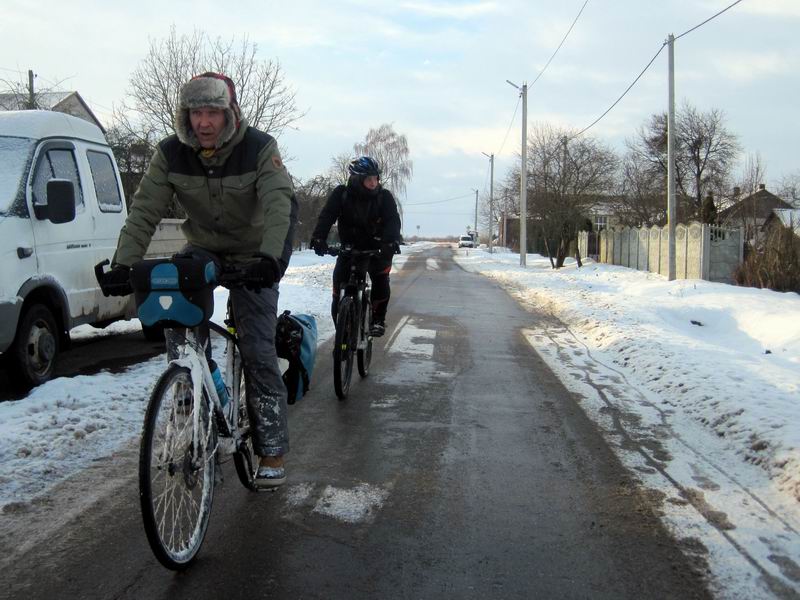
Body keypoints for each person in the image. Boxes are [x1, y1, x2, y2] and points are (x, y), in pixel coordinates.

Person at [99, 72, 296, 489]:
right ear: (185, 115)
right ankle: (192, 390)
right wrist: (123, 264)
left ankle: (272, 448)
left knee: (258, 348)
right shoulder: (170, 153)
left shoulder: (260, 148)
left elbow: (280, 205)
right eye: (195, 113)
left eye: (212, 113)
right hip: (202, 249)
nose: (203, 122)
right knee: (177, 317)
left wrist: (271, 259)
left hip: (253, 254)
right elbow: (144, 210)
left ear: (230, 114)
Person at [310, 156, 401, 337]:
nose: (374, 183)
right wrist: (319, 238)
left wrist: (390, 242)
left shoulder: (384, 197)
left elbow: (393, 221)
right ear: (357, 179)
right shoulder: (342, 194)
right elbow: (327, 215)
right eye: (369, 179)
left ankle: (377, 319)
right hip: (349, 247)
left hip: (377, 248)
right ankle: (343, 330)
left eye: (376, 178)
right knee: (338, 286)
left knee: (381, 279)